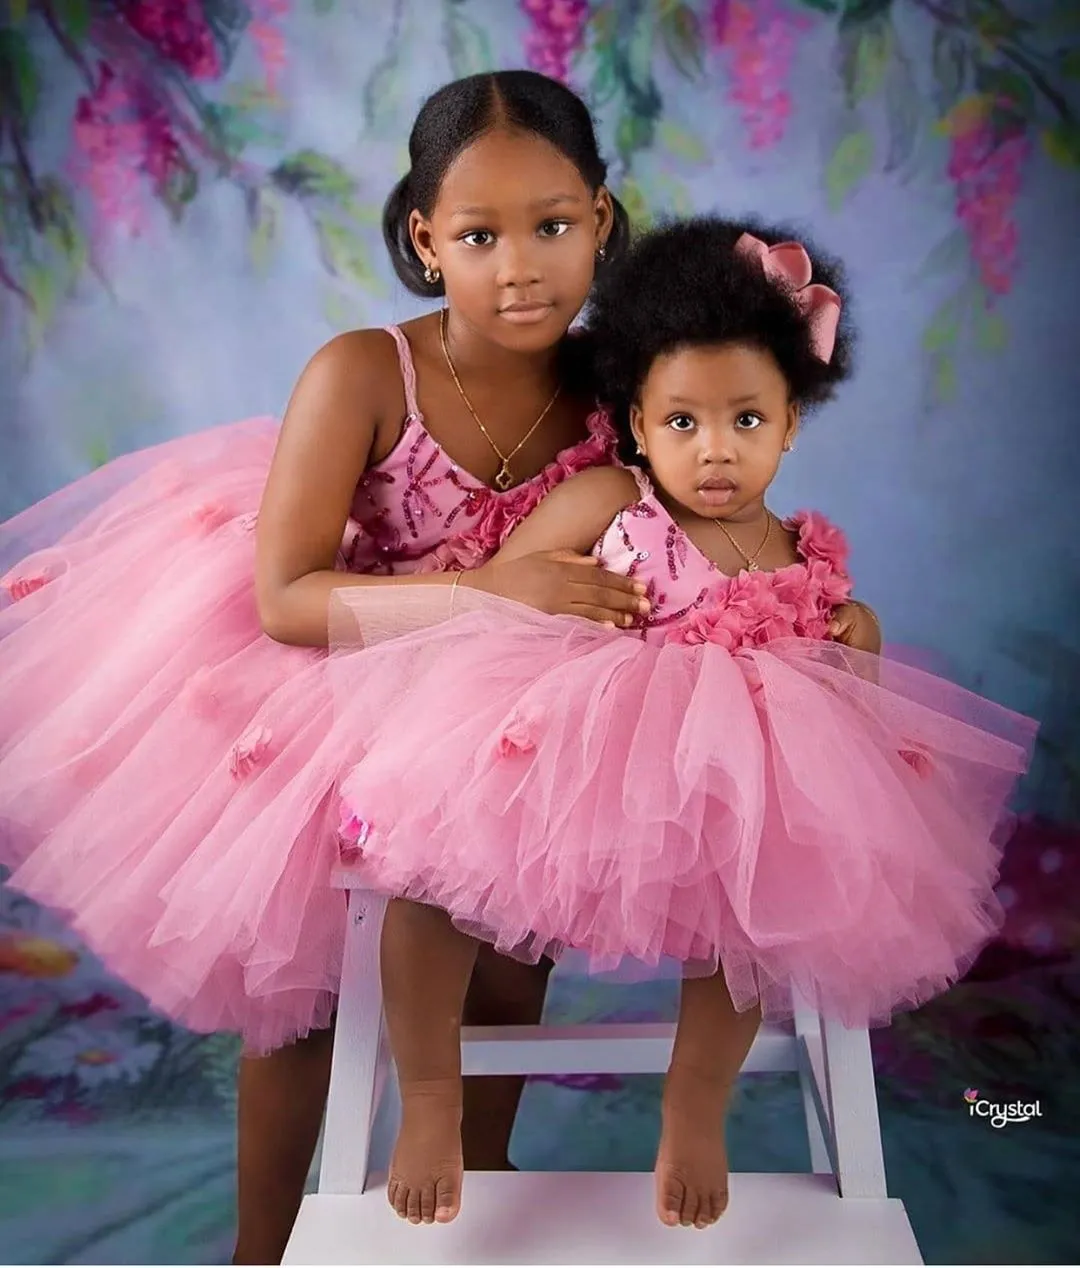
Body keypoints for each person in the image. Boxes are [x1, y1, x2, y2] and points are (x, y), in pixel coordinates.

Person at [0, 69, 664, 1264]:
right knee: (300, 997)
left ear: (601, 221)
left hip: (523, 710)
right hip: (344, 676)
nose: (521, 265)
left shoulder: (620, 392)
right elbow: (286, 598)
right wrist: (481, 591)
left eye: (554, 226)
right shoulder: (365, 371)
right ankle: (262, 1245)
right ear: (425, 237)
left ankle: (476, 1180)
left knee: (512, 957)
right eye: (479, 235)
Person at [325, 215, 1038, 1231]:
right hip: (566, 747)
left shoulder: (800, 547)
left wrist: (858, 630)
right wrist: (541, 601)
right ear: (634, 423)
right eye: (684, 423)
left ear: (790, 424)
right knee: (432, 886)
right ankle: (432, 1099)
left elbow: (847, 686)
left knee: (759, 904)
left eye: (746, 422)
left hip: (721, 790)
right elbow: (498, 592)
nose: (715, 451)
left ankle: (695, 1100)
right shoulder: (610, 498)